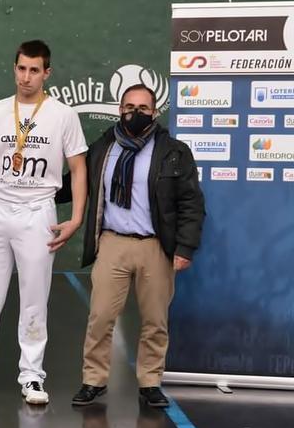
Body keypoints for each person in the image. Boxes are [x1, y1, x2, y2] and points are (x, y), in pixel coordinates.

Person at [0, 40, 88, 405]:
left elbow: (78, 167)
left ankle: (32, 377)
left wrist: (76, 218)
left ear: (47, 73)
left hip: (38, 213)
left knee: (34, 299)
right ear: (14, 68)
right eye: (21, 68)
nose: (27, 77)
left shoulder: (62, 115)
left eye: (34, 70)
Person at [65, 84, 205, 408]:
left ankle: (150, 383)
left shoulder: (174, 151)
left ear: (154, 112)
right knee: (100, 317)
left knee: (155, 320)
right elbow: (77, 180)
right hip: (112, 242)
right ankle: (93, 380)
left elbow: (191, 204)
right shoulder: (103, 145)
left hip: (155, 246)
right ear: (120, 110)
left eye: (143, 108)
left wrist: (185, 248)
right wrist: (39, 190)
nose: (136, 113)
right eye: (129, 106)